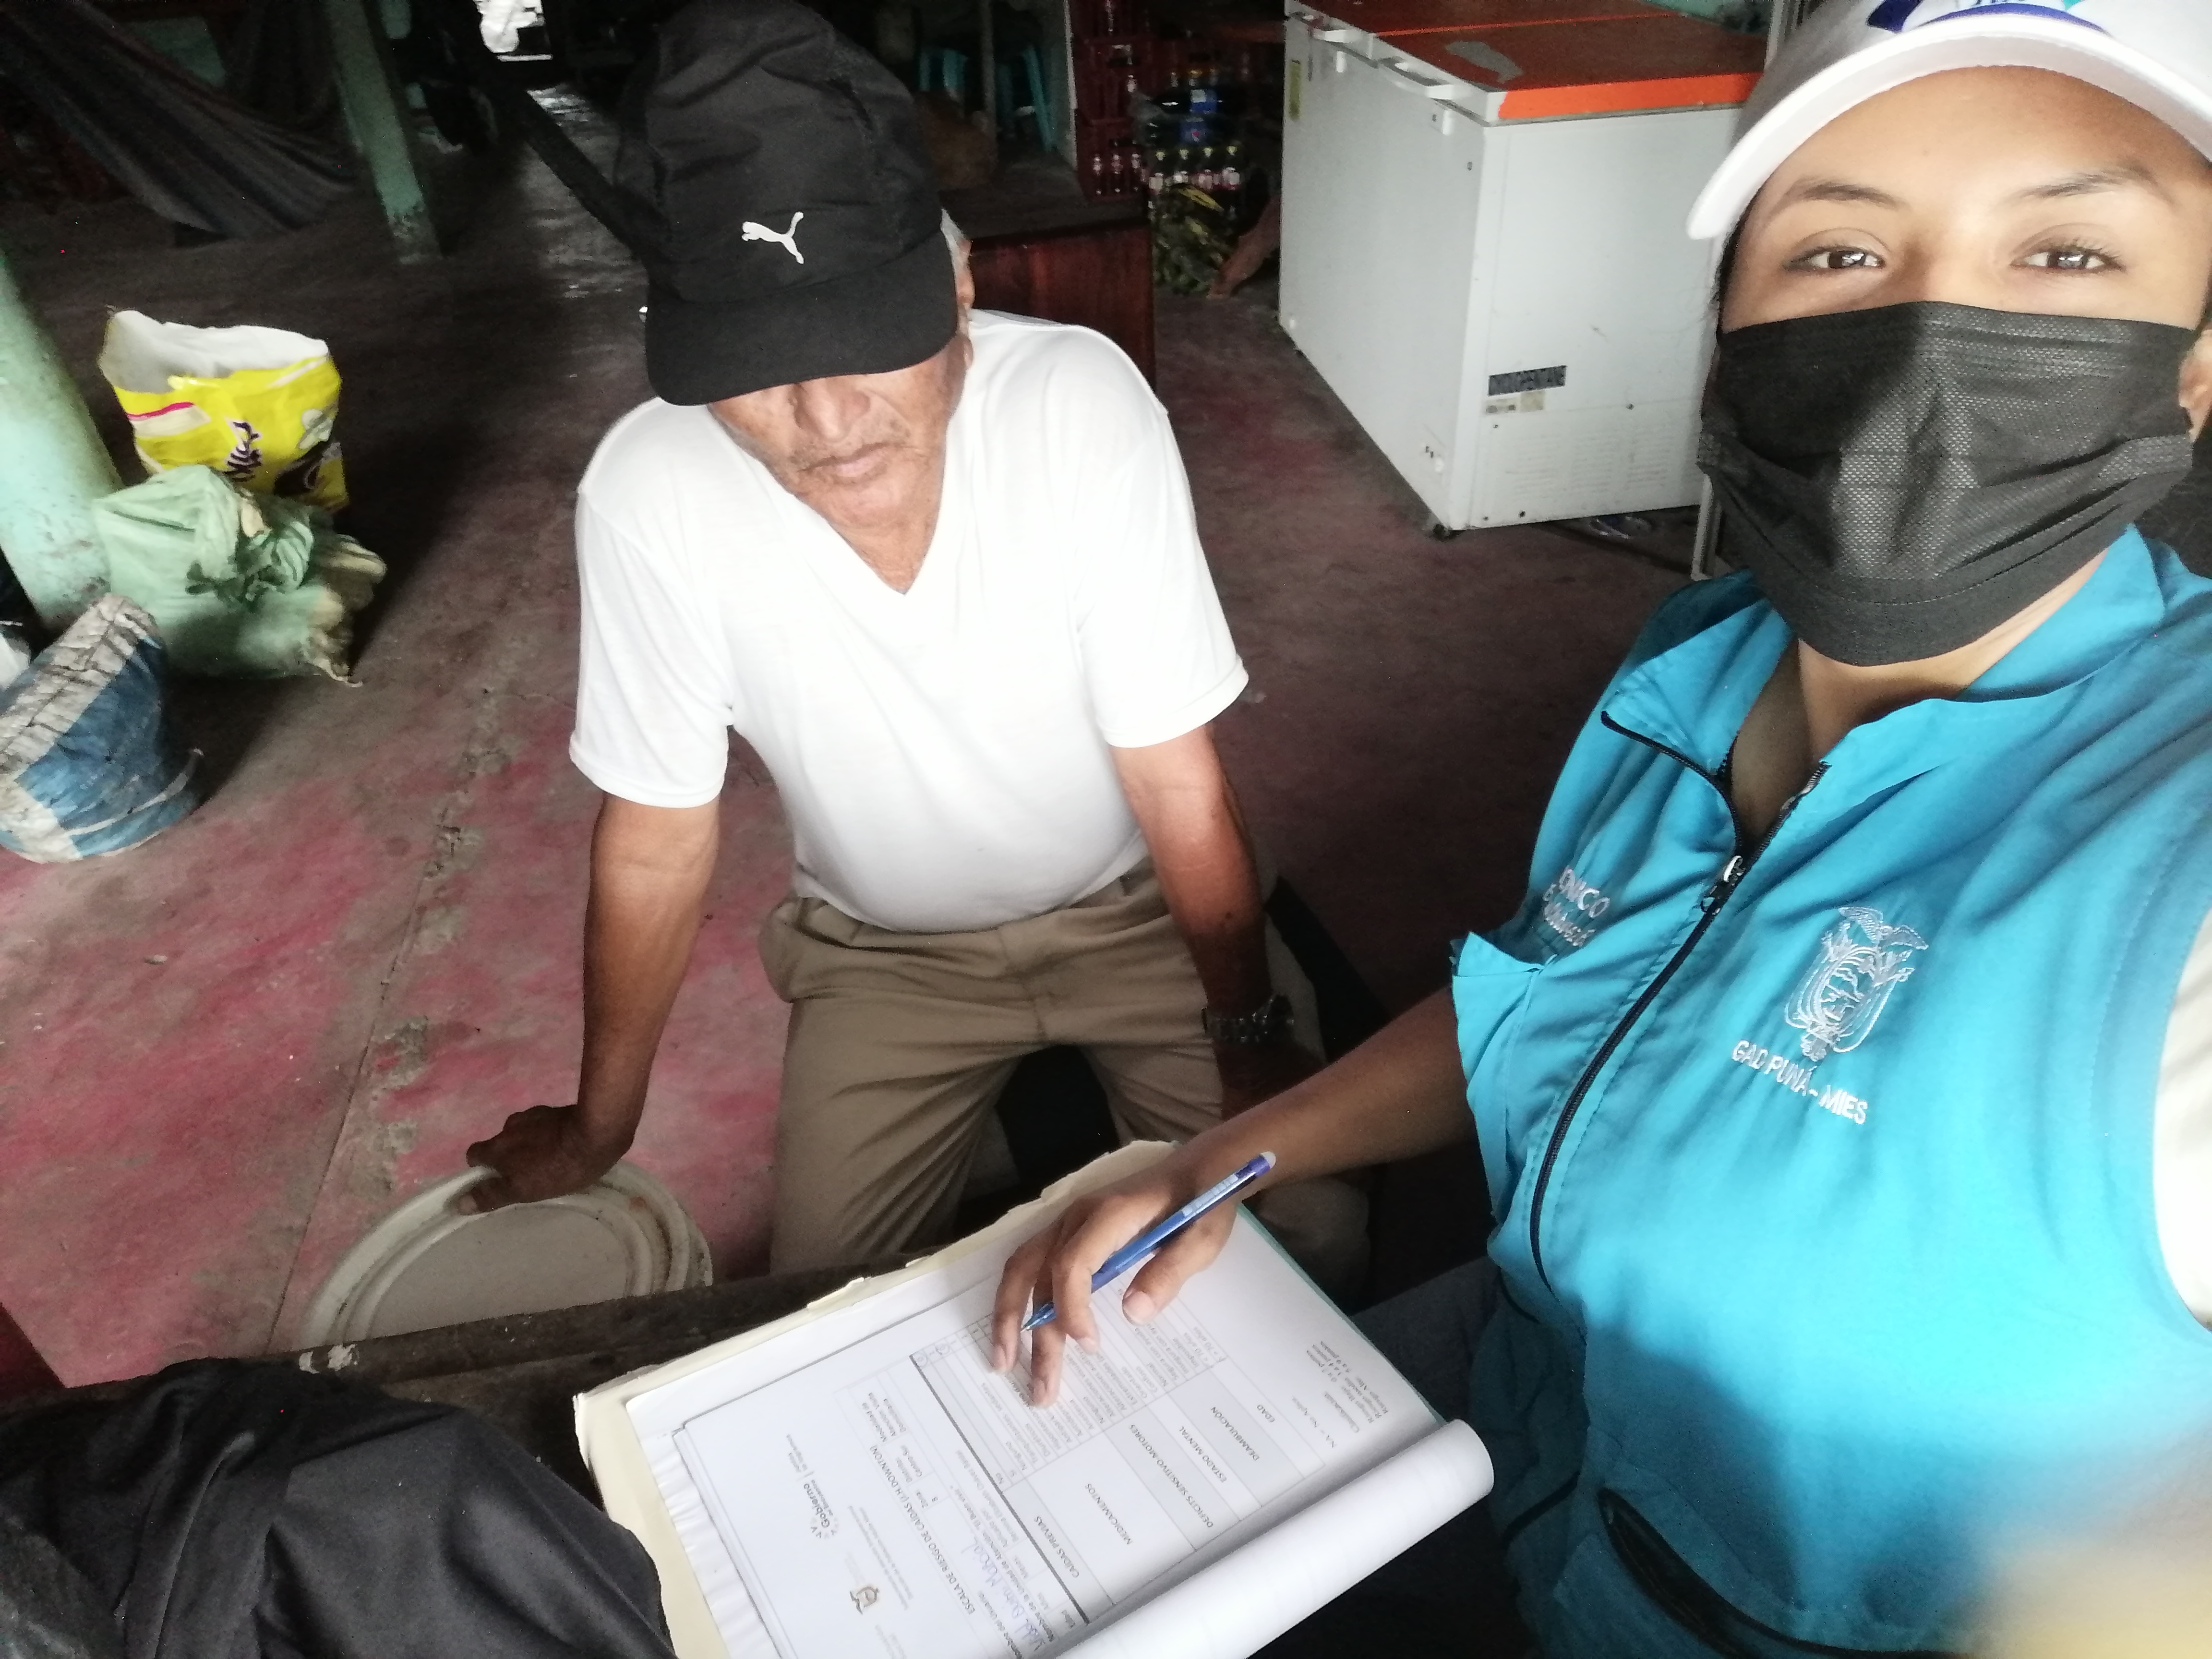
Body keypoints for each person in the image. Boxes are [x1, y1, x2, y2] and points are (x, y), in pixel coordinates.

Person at [990, 2, 2212, 1653]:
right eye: (1840, 251)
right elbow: (1557, 994)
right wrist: (1222, 1154)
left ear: (2193, 365)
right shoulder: (1692, 667)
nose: (1930, 331)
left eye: (2066, 254)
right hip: (1522, 1412)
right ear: (1726, 340)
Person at [459, 0, 1356, 1278]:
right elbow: (657, 834)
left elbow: (1174, 774)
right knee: (816, 1309)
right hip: (886, 961)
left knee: (1308, 1243)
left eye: (868, 343)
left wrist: (1250, 1031)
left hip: (1133, 918)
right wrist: (602, 1125)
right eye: (760, 363)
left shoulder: (1076, 406)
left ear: (959, 285)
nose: (829, 422)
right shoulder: (647, 491)